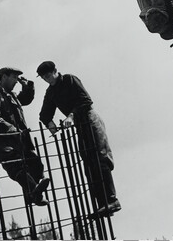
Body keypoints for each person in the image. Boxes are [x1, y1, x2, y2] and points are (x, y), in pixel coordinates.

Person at [36, 61, 120, 218]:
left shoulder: (70, 80)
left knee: (99, 158)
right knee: (88, 163)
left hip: (90, 119)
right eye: (43, 78)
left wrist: (71, 115)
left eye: (48, 75)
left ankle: (112, 200)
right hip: (79, 127)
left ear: (55, 71)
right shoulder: (51, 92)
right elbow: (44, 114)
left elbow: (85, 100)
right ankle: (102, 205)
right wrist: (50, 124)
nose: (47, 79)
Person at [0, 67, 50, 206]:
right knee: (17, 168)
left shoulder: (11, 96)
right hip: (2, 143)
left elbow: (24, 100)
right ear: (4, 77)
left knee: (35, 164)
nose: (16, 81)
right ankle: (33, 192)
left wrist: (27, 87)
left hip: (18, 141)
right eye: (14, 77)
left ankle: (33, 194)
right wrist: (13, 130)